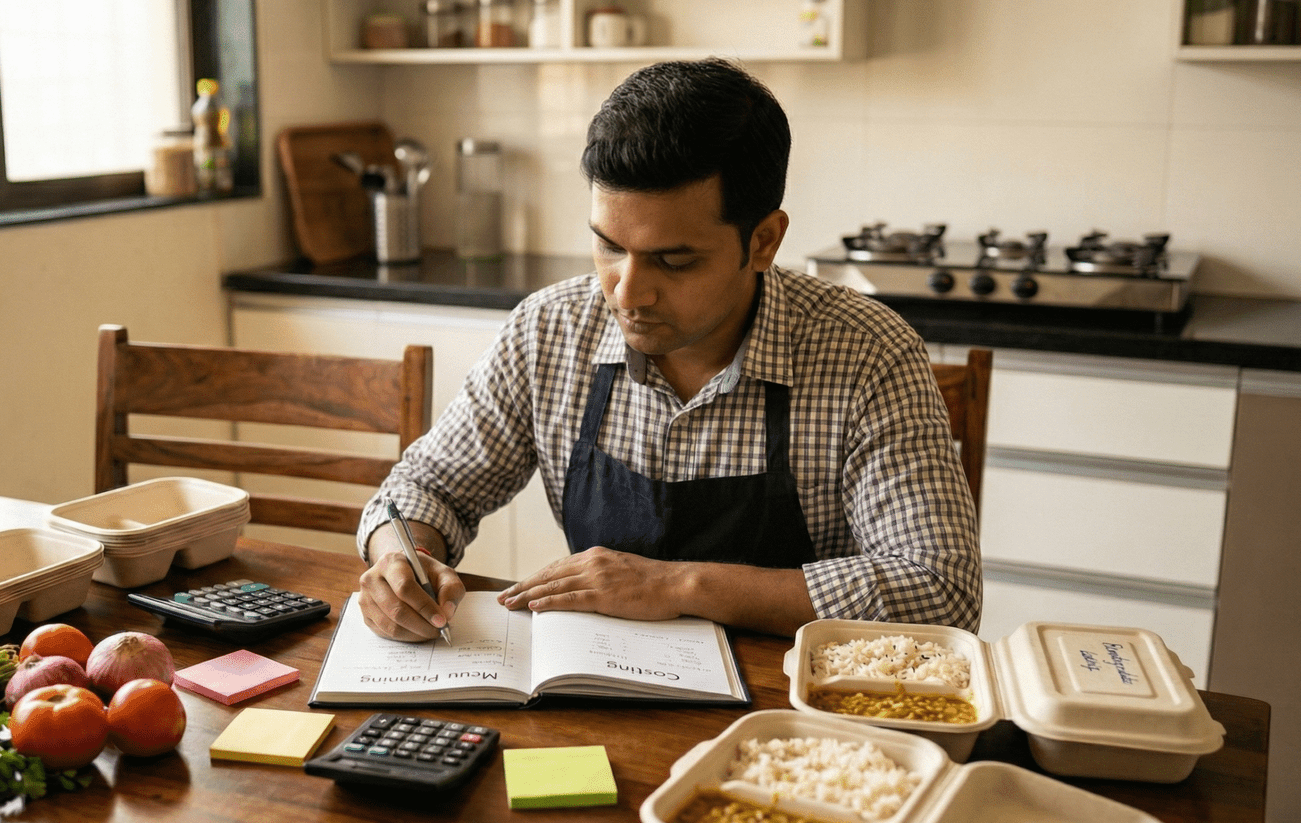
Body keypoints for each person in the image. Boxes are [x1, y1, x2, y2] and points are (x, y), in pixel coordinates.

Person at [357, 58, 980, 642]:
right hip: (595, 690)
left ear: (763, 241)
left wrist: (679, 584)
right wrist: (399, 557)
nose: (627, 292)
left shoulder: (867, 352)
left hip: (794, 716)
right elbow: (426, 487)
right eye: (608, 246)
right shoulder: (547, 333)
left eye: (673, 260)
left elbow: (941, 590)